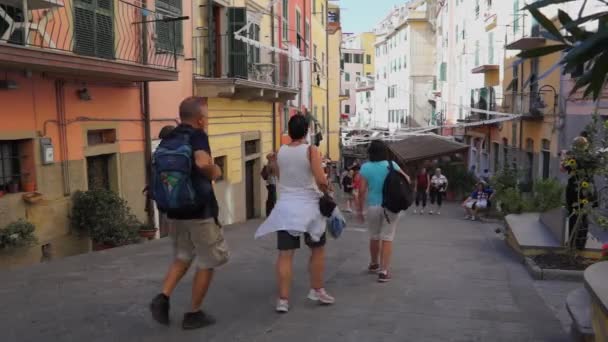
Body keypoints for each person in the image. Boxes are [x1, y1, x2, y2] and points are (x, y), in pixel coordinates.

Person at [149, 97, 229, 330]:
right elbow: (203, 164)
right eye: (207, 117)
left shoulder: (170, 137)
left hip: (174, 210)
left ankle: (162, 297)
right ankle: (193, 313)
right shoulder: (198, 136)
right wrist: (216, 171)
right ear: (201, 120)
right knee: (208, 259)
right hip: (199, 211)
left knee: (183, 255)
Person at [254, 114, 335, 314]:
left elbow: (281, 177)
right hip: (309, 209)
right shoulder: (310, 150)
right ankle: (317, 289)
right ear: (306, 130)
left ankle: (283, 300)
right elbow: (320, 179)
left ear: (289, 131)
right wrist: (328, 192)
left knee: (285, 255)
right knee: (317, 249)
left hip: (286, 209)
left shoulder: (281, 152)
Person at [358, 141, 410, 283]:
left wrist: (359, 210)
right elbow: (407, 179)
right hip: (391, 206)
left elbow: (361, 191)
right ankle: (384, 271)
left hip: (373, 206)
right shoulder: (392, 165)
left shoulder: (365, 168)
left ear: (370, 152)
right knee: (387, 237)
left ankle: (374, 264)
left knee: (374, 236)